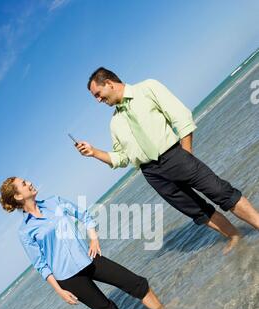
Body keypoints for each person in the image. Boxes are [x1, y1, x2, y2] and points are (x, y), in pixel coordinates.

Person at [75, 67, 259, 254]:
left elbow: (181, 116)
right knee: (198, 211)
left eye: (98, 94)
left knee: (222, 192)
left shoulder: (147, 88)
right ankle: (235, 235)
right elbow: (122, 158)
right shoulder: (115, 123)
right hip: (153, 174)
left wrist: (186, 154)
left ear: (108, 83)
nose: (98, 100)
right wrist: (94, 152)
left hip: (175, 156)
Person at [0, 176, 165, 309]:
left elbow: (83, 215)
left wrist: (94, 239)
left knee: (134, 282)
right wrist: (59, 291)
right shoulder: (25, 231)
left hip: (89, 258)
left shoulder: (54, 202)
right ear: (18, 196)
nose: (29, 183)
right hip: (68, 278)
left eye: (26, 180)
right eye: (24, 184)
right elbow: (40, 264)